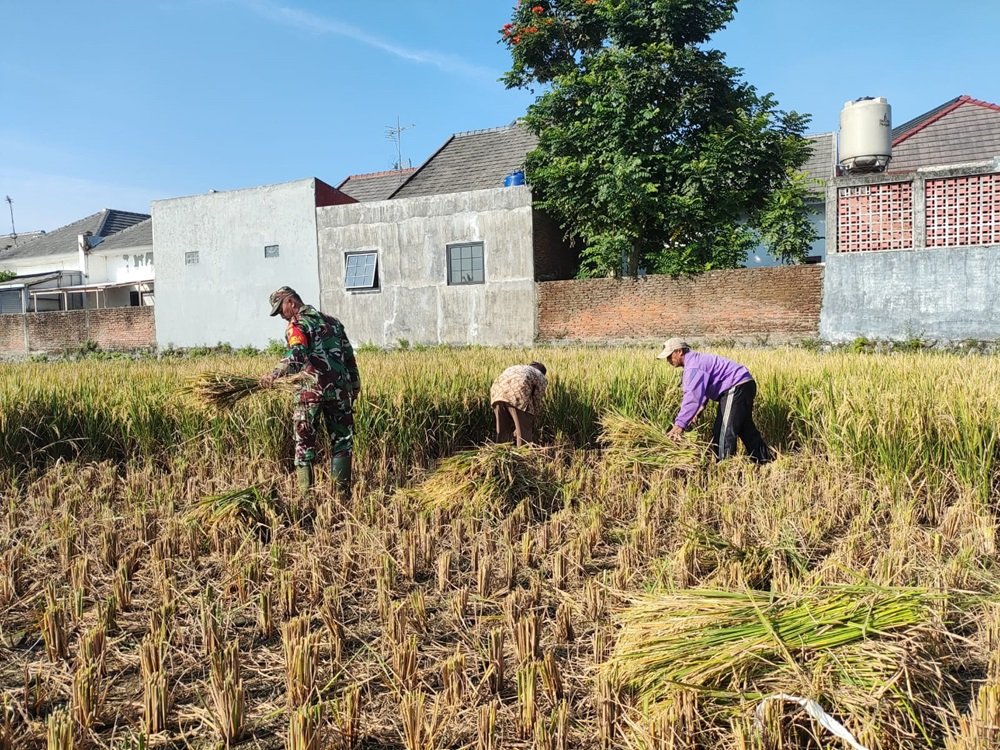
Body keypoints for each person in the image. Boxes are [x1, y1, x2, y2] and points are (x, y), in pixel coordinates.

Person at [260, 286, 361, 493]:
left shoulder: (297, 325)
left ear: (291, 303)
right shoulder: (333, 322)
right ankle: (342, 494)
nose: (281, 316)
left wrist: (274, 374)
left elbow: (296, 354)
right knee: (342, 443)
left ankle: (306, 497)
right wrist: (354, 387)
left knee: (304, 446)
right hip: (340, 393)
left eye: (281, 310)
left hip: (309, 394)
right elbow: (349, 358)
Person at [657, 338, 772, 464]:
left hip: (736, 386)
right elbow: (702, 390)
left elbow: (692, 397)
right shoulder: (695, 361)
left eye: (669, 356)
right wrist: (699, 410)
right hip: (744, 385)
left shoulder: (693, 366)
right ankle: (765, 461)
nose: (668, 360)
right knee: (745, 428)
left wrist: (679, 425)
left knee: (723, 430)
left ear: (679, 351)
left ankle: (724, 466)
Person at [489, 362, 547, 446]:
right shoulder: (540, 375)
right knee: (524, 432)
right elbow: (537, 399)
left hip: (497, 394)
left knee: (503, 430)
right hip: (517, 395)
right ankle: (523, 456)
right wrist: (535, 417)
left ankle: (501, 455)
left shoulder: (516, 367)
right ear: (542, 372)